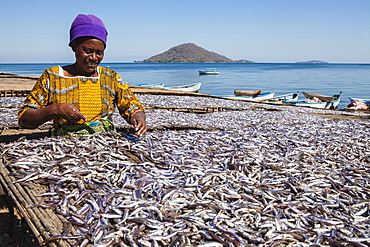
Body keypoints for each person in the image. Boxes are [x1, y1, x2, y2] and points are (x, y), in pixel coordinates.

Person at [18, 14, 147, 137]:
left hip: (105, 142)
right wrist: (55, 110)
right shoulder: (51, 77)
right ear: (74, 47)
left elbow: (131, 106)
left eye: (99, 53)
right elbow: (25, 119)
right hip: (66, 145)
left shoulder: (111, 77)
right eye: (88, 51)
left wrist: (138, 117)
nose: (94, 58)